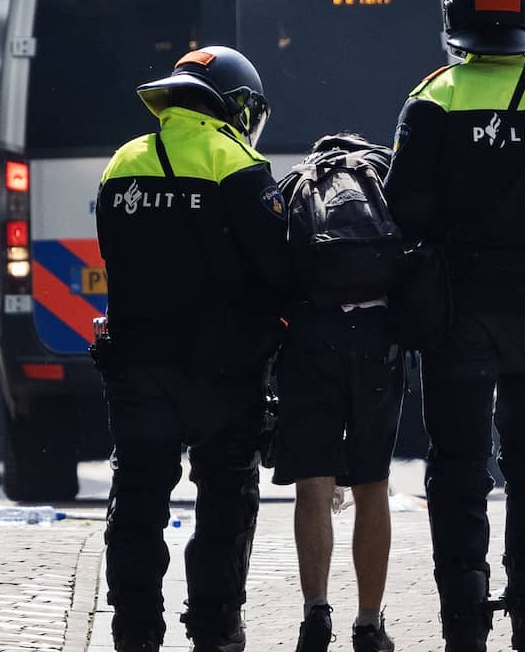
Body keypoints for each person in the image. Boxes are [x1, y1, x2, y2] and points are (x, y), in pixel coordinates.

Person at [383, 0, 525, 652]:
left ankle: (463, 618)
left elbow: (404, 212)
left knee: (459, 463)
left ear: (456, 21)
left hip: (457, 312)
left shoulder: (433, 99)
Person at [96, 46, 288, 652]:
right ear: (234, 105)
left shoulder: (123, 161)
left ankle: (134, 633)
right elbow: (276, 269)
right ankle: (214, 629)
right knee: (225, 503)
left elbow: (115, 257)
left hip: (137, 365)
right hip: (223, 371)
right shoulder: (236, 160)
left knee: (138, 501)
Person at [273, 133, 403, 652]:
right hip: (375, 341)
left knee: (314, 486)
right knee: (372, 484)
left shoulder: (295, 186)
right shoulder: (383, 181)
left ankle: (315, 616)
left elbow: (274, 273)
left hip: (311, 340)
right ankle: (369, 624)